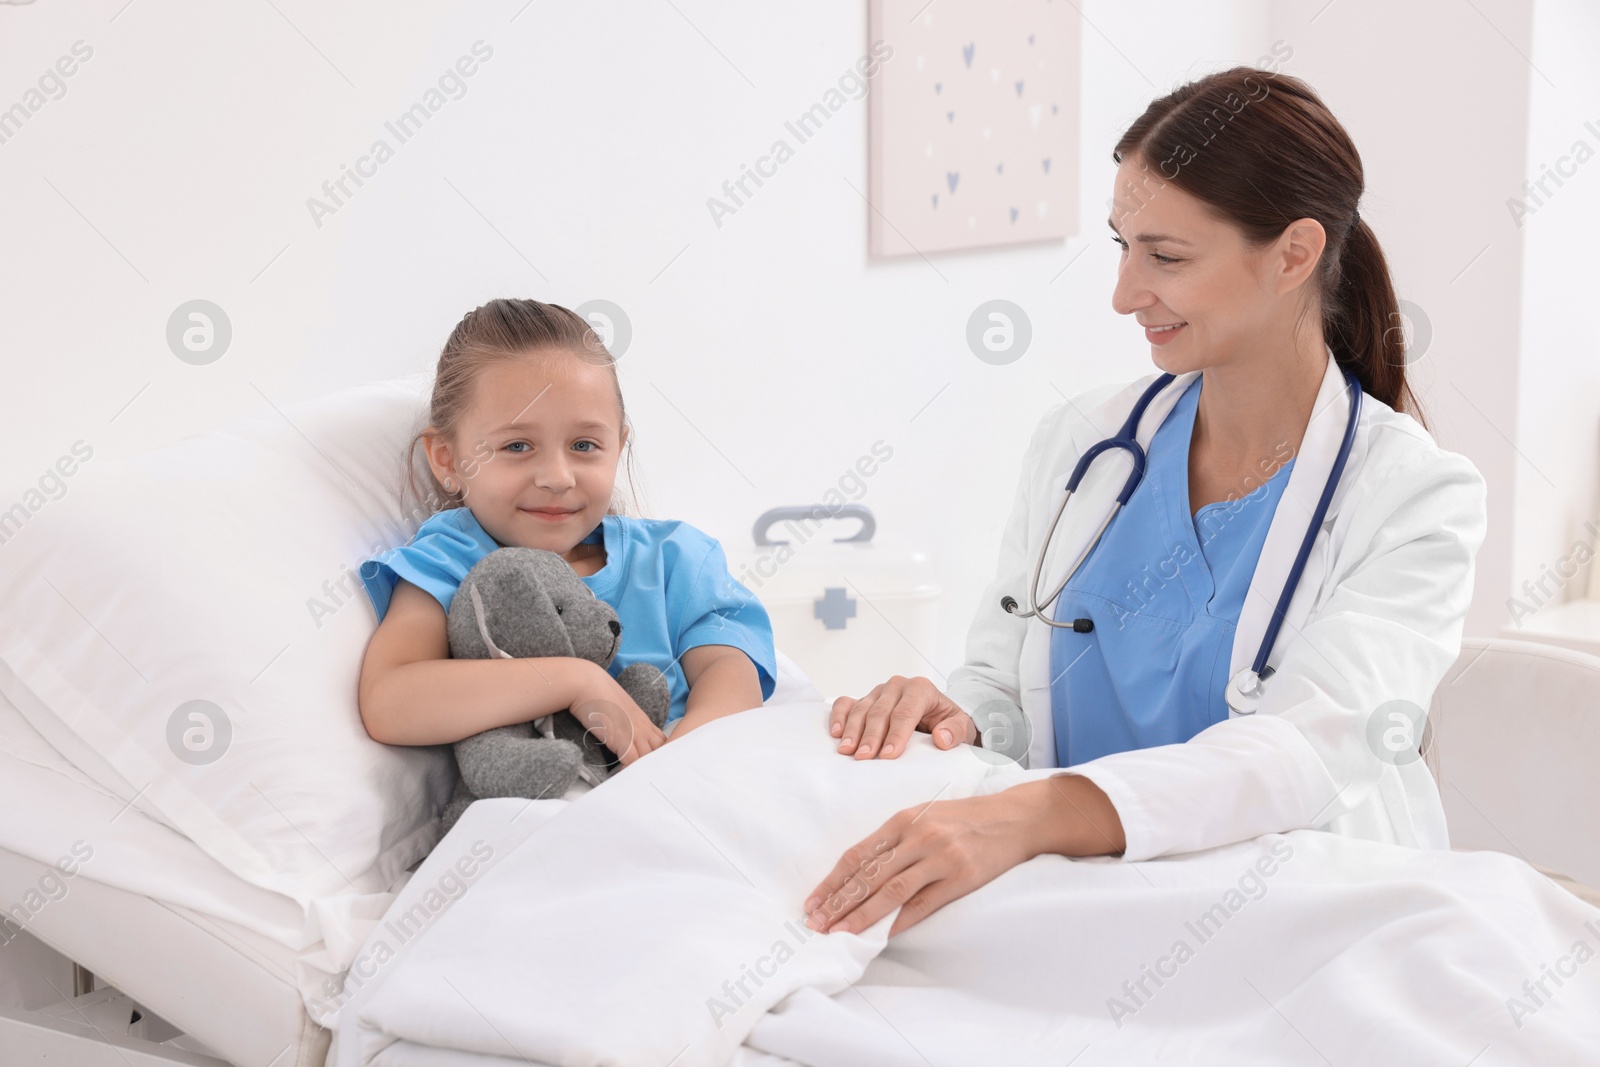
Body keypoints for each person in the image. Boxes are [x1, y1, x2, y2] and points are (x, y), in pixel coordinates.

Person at [805, 68, 1487, 938]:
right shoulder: (1081, 445)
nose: (1125, 293)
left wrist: (1029, 815)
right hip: (1078, 911)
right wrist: (956, 715)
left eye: (1166, 257)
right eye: (1123, 245)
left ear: (1293, 254)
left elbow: (1302, 753)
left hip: (1297, 924)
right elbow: (1005, 686)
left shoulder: (1415, 498)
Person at [356, 298, 777, 771]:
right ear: (448, 461)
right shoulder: (448, 562)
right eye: (517, 445)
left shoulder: (674, 560)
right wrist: (576, 682)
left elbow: (730, 676)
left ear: (619, 445)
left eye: (584, 445)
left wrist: (672, 772)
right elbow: (389, 700)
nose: (557, 476)